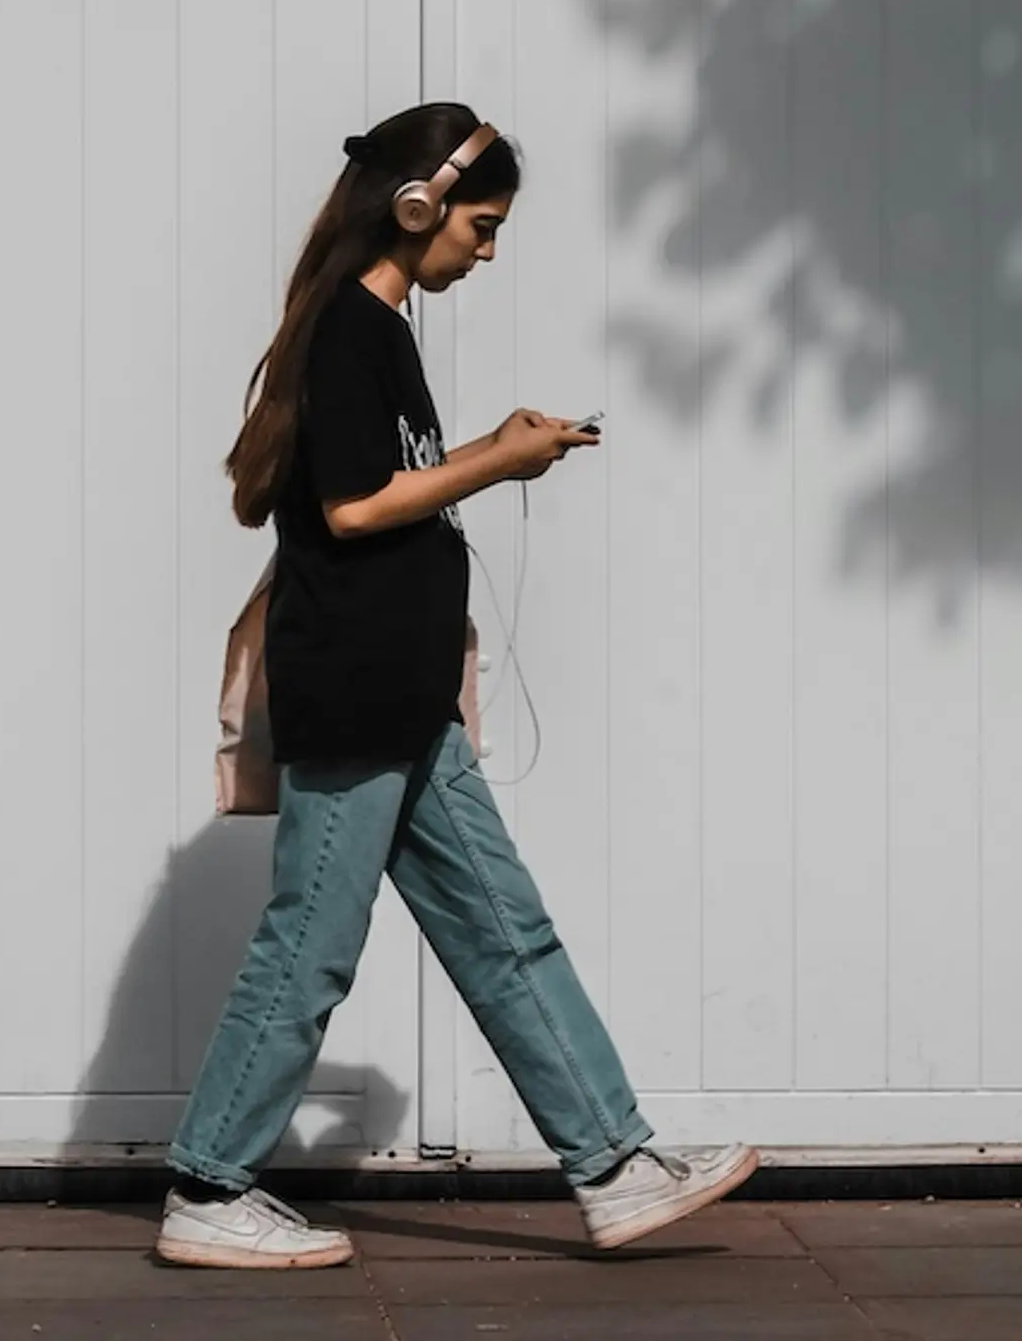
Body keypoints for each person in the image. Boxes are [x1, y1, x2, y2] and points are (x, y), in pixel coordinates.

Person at [155, 101, 758, 1271]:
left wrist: (491, 446)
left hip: (408, 703)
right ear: (416, 205)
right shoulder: (348, 329)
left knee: (507, 933)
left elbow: (384, 488)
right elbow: (353, 506)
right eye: (481, 226)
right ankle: (208, 1184)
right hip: (358, 698)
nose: (486, 250)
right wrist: (497, 458)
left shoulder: (380, 330)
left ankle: (614, 1165)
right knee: (309, 946)